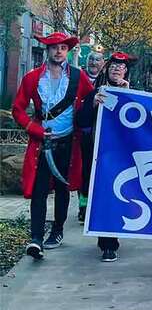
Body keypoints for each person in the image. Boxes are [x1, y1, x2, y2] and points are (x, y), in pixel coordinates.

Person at [11, 32, 94, 259]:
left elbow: (92, 99)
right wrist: (36, 129)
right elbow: (17, 110)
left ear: (68, 52)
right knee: (39, 191)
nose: (59, 51)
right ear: (48, 50)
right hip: (41, 144)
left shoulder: (78, 77)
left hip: (69, 143)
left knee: (62, 188)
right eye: (55, 47)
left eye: (63, 48)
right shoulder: (31, 78)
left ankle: (57, 231)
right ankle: (36, 238)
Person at [76, 52, 136, 262]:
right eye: (113, 66)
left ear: (126, 71)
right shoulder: (95, 93)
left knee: (119, 196)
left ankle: (114, 236)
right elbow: (81, 121)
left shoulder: (134, 94)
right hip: (100, 155)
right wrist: (93, 104)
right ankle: (107, 244)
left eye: (120, 67)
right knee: (103, 197)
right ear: (107, 69)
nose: (116, 69)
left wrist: (129, 97)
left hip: (123, 156)